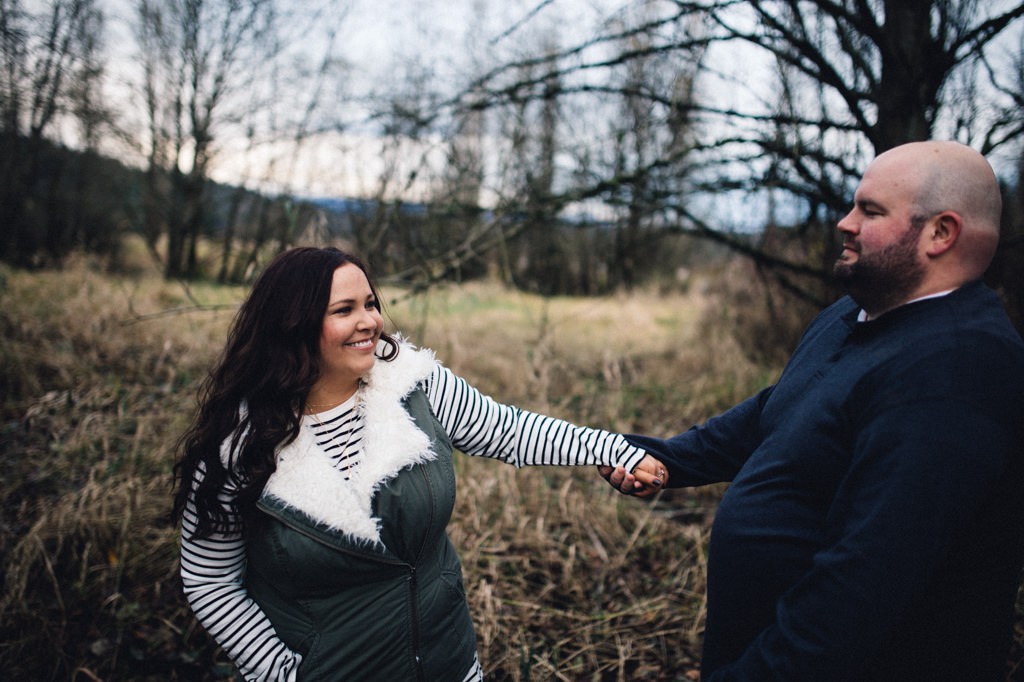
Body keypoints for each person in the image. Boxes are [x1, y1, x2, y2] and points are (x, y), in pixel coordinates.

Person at [602, 140, 1024, 680]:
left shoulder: (958, 372)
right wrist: (664, 458)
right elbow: (777, 413)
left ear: (941, 233)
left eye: (870, 211)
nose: (844, 224)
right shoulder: (854, 316)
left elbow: (861, 591)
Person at [171, 246, 666, 682]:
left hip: (448, 661)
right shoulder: (238, 447)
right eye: (344, 310)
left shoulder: (413, 385)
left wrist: (615, 450)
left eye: (370, 304)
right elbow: (210, 579)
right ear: (293, 327)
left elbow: (513, 430)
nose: (369, 321)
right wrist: (279, 671)